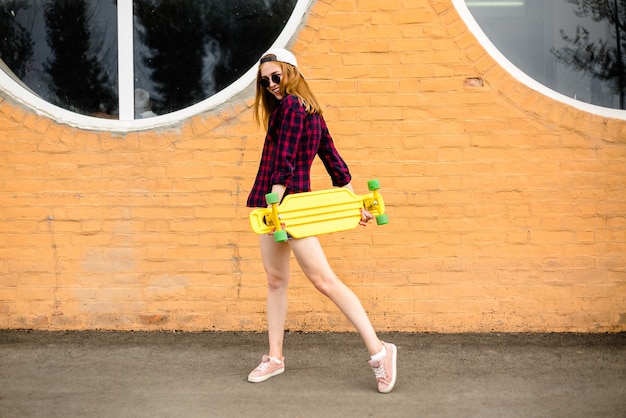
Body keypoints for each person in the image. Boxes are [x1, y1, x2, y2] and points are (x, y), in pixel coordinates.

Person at [246, 48, 397, 394]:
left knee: (324, 281)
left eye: (275, 76)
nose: (270, 84)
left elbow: (284, 162)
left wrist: (276, 204)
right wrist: (353, 201)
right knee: (275, 281)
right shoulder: (307, 110)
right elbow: (334, 161)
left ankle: (380, 351)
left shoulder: (293, 110)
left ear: (291, 72)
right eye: (264, 80)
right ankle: (275, 357)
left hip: (288, 207)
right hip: (278, 206)